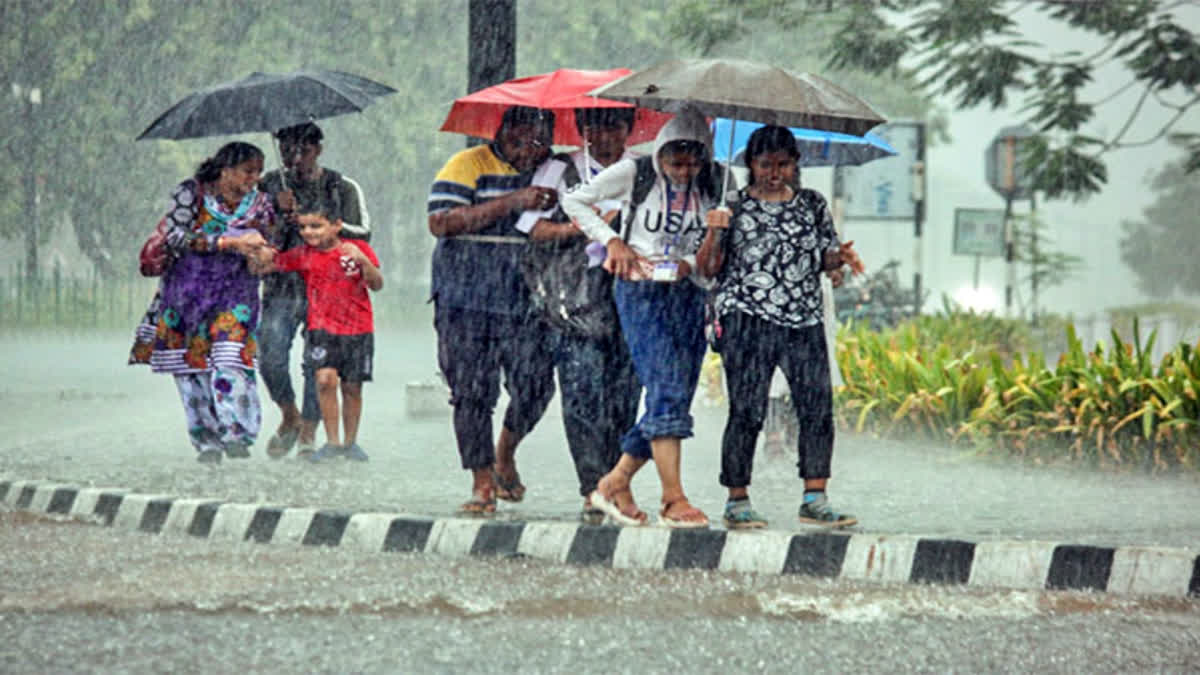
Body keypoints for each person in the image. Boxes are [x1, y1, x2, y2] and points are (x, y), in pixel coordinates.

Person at [562, 107, 731, 528]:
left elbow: (714, 257)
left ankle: (614, 482)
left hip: (689, 296)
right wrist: (613, 241)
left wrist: (703, 247)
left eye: (694, 161)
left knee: (672, 396)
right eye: (676, 161)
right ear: (660, 154)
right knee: (665, 390)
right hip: (640, 291)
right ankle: (673, 499)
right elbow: (575, 201)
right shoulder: (633, 173)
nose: (685, 170)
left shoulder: (719, 181)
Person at [695, 124, 864, 529]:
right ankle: (737, 498)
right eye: (765, 164)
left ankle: (815, 496)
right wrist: (715, 232)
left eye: (783, 164)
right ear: (750, 164)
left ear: (795, 164)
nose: (774, 172)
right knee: (747, 411)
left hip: (802, 318)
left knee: (816, 407)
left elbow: (824, 257)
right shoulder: (732, 206)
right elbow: (707, 269)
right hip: (746, 318)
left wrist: (838, 258)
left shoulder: (812, 204)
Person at [427, 105, 560, 514]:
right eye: (519, 138)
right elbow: (441, 223)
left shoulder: (555, 172)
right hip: (465, 298)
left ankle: (506, 450)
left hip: (527, 300)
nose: (528, 149)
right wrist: (513, 201)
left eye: (538, 140)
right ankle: (482, 482)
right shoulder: (467, 164)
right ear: (501, 132)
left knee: (537, 385)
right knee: (471, 392)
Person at [518, 107, 641, 523]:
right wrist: (588, 227)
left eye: (614, 126)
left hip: (630, 298)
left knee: (625, 397)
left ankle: (616, 483)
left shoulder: (641, 172)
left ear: (630, 129)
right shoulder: (558, 171)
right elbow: (534, 231)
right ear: (583, 130)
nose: (604, 135)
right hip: (572, 302)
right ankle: (591, 487)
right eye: (595, 127)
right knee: (583, 395)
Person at [129, 142, 276, 464]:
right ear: (226, 170)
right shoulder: (191, 193)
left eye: (258, 172)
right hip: (186, 294)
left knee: (230, 357)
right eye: (248, 171)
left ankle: (237, 431)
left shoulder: (262, 202)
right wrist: (229, 242)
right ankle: (206, 439)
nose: (254, 178)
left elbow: (270, 240)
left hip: (235, 293)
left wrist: (264, 253)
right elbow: (175, 237)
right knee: (191, 368)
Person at [258, 122, 371, 459]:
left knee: (317, 362)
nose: (294, 157)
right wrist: (276, 213)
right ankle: (289, 414)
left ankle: (309, 429)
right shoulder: (268, 186)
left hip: (329, 289)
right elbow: (256, 234)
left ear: (318, 149)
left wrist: (317, 226)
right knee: (271, 353)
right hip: (282, 286)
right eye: (287, 150)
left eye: (302, 150)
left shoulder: (341, 186)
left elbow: (363, 232)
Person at [266, 211, 382, 462]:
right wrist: (254, 249)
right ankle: (332, 442)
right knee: (324, 380)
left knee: (352, 386)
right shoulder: (304, 255)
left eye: (316, 226)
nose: (308, 232)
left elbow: (377, 283)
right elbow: (273, 262)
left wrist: (364, 261)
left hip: (358, 328)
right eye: (304, 227)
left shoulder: (356, 249)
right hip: (321, 328)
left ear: (336, 225)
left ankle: (351, 443)